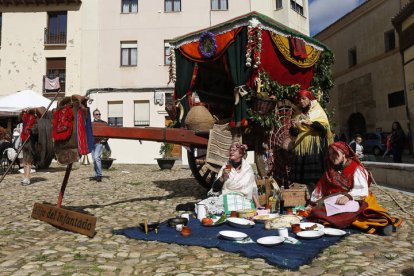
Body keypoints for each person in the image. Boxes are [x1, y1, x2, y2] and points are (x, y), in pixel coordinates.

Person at [305, 142, 402, 234]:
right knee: (316, 211)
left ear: (343, 154)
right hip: (335, 201)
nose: (332, 156)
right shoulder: (330, 170)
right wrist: (312, 203)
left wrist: (348, 196)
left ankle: (381, 225)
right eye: (330, 154)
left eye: (335, 153)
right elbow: (320, 188)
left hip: (357, 198)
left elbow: (361, 189)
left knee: (359, 213)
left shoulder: (355, 167)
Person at [197, 142, 262, 216]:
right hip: (226, 198)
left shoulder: (247, 169)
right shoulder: (226, 166)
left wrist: (257, 204)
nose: (231, 152)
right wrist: (223, 177)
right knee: (202, 206)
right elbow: (215, 189)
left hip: (243, 199)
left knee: (243, 211)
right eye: (230, 150)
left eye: (234, 150)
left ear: (241, 154)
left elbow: (252, 187)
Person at [289, 89, 333, 193]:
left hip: (314, 147)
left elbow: (324, 128)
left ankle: (317, 196)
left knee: (314, 176)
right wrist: (293, 127)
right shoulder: (298, 113)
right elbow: (295, 134)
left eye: (304, 99)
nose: (301, 101)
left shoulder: (317, 110)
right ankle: (305, 198)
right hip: (301, 146)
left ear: (310, 99)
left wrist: (311, 123)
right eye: (300, 100)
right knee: (302, 177)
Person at [91, 109, 108, 182]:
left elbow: (108, 132)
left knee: (96, 157)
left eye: (99, 114)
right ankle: (96, 174)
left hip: (99, 143)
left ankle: (99, 175)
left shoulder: (103, 123)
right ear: (93, 115)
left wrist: (104, 140)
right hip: (92, 143)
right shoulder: (90, 124)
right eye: (97, 114)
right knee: (94, 160)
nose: (98, 115)